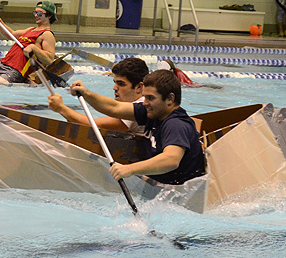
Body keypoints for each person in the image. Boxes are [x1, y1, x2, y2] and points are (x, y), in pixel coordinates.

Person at [70, 69, 205, 185]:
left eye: (151, 98)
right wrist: (86, 93)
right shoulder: (154, 112)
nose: (145, 103)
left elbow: (171, 159)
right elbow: (114, 107)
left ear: (170, 99)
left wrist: (129, 169)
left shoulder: (176, 124)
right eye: (144, 97)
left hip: (180, 194)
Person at [48, 57, 148, 135]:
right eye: (115, 83)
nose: (115, 88)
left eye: (121, 84)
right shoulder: (141, 102)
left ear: (139, 87)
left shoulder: (141, 106)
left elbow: (92, 126)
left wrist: (61, 108)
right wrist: (84, 92)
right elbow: (110, 106)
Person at [0, 1, 57, 83]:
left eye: (40, 13)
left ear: (49, 16)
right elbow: (10, 34)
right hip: (2, 63)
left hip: (15, 71)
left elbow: (49, 59)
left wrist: (34, 48)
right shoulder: (31, 30)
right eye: (35, 12)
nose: (36, 15)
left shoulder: (47, 34)